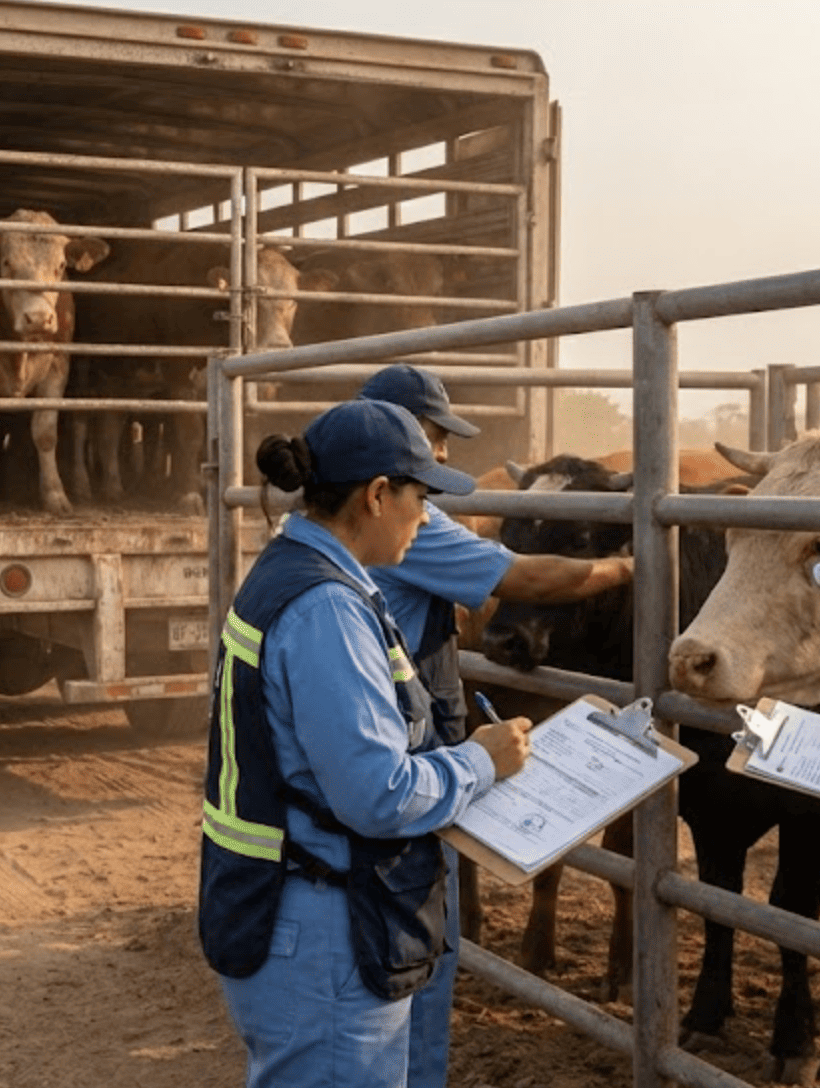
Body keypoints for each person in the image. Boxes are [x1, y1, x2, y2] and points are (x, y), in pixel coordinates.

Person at [199, 397, 535, 1088]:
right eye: (423, 497)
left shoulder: (297, 570)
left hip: (295, 908)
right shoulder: (327, 607)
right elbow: (376, 794)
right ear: (379, 495)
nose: (429, 517)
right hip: (324, 932)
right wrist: (480, 761)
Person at [358, 363, 635, 1088]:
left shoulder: (333, 523)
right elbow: (539, 580)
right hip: (414, 766)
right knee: (417, 952)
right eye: (435, 437)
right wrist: (625, 566)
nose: (446, 455)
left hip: (396, 761)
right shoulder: (412, 527)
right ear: (398, 442)